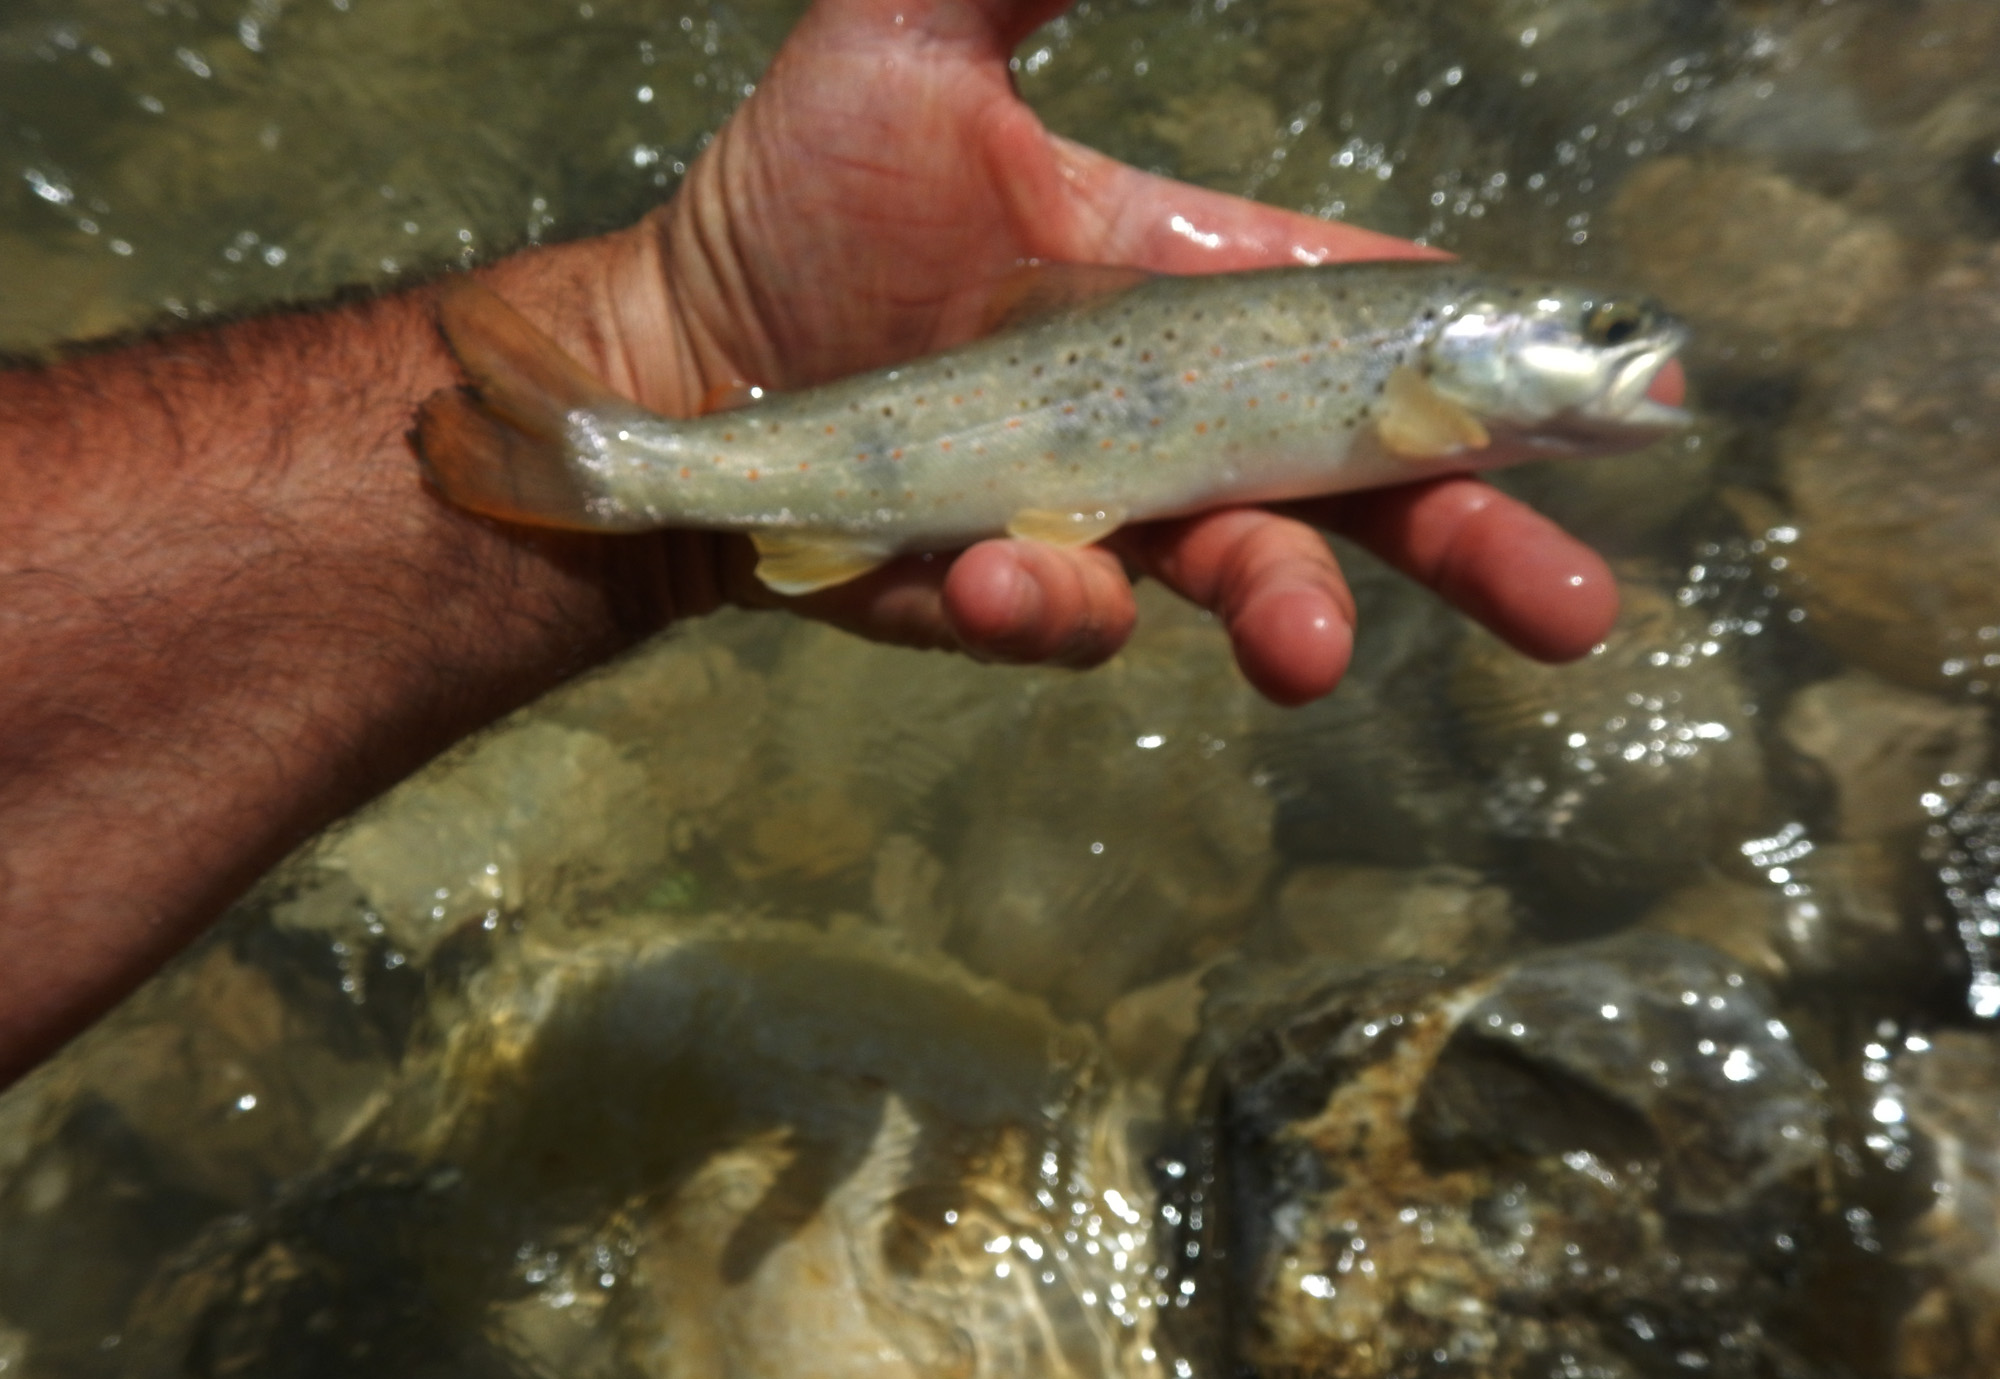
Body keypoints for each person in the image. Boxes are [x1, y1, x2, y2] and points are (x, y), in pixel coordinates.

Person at [0, 0, 1632, 1083]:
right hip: (810, 444)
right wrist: (658, 367)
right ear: (1469, 346)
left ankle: (642, 463)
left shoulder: (1443, 375)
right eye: (1601, 332)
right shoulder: (1427, 374)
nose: (1629, 361)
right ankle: (634, 465)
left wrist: (657, 340)